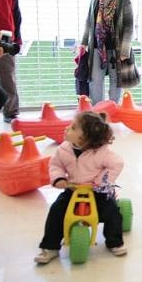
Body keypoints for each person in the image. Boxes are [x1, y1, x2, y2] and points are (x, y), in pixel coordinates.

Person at [34, 111, 127, 264]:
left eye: (73, 127)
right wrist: (60, 179)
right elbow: (55, 165)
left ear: (85, 138)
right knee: (57, 210)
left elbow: (117, 164)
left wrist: (99, 182)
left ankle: (114, 242)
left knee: (112, 212)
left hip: (98, 191)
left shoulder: (102, 152)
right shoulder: (64, 149)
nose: (67, 128)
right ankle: (50, 246)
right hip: (73, 189)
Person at [80, 0, 134, 103]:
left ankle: (113, 110)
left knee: (116, 81)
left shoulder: (124, 0)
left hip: (117, 49)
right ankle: (98, 113)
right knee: (95, 80)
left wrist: (124, 51)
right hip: (98, 47)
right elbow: (89, 21)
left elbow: (128, 27)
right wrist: (84, 42)